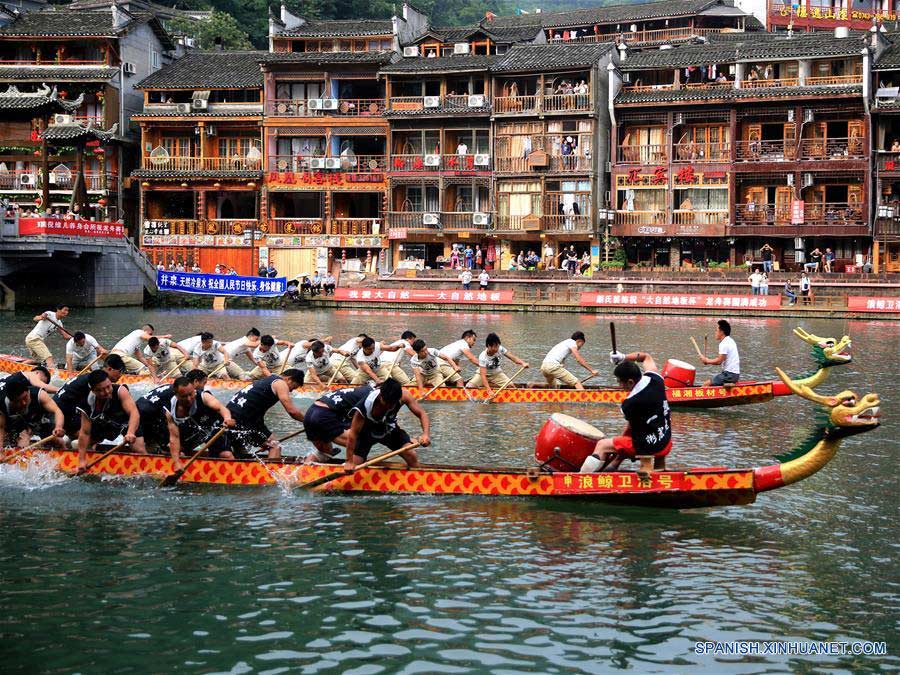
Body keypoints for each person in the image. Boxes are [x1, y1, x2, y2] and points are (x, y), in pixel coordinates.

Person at [581, 350, 671, 475]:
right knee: (624, 444)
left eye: (620, 382)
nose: (619, 386)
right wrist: (624, 357)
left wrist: (617, 444)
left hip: (649, 447)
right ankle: (611, 468)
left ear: (630, 382)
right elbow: (646, 357)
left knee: (602, 445)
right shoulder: (655, 379)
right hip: (666, 441)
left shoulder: (630, 403)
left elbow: (630, 427)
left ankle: (582, 477)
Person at [136, 376, 236, 470]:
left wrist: (227, 419)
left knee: (226, 455)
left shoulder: (204, 396)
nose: (189, 399)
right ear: (176, 395)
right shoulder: (169, 411)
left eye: (191, 394)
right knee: (180, 455)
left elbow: (221, 408)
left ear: (194, 390)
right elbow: (174, 437)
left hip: (213, 428)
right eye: (184, 396)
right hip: (191, 431)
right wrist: (176, 462)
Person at [340, 379, 430, 471]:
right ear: (380, 396)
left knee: (411, 455)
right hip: (367, 433)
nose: (389, 406)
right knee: (354, 465)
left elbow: (422, 414)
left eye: (393, 403)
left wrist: (425, 434)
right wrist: (349, 461)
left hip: (389, 429)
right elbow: (353, 434)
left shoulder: (404, 395)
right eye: (386, 403)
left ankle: (417, 477)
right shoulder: (365, 405)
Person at [225, 369, 306, 459]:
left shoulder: (269, 379)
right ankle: (271, 472)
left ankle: (240, 468)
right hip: (245, 418)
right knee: (274, 446)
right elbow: (292, 411)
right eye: (293, 387)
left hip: (229, 416)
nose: (290, 391)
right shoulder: (281, 383)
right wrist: (307, 421)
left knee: (240, 449)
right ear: (289, 379)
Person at [75, 369, 143, 471]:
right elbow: (85, 432)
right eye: (101, 390)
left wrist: (130, 432)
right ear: (92, 390)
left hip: (127, 424)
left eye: (108, 387)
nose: (106, 392)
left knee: (139, 449)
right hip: (105, 424)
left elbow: (134, 413)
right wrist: (81, 460)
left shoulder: (121, 391)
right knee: (82, 446)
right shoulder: (86, 403)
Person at [52, 354, 125, 439]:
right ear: (109, 369)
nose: (121, 375)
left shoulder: (95, 378)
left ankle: (73, 439)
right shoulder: (96, 382)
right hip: (59, 412)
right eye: (120, 371)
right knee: (96, 429)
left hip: (62, 408)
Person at [0, 374, 65, 449]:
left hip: (35, 416)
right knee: (22, 445)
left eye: (25, 398)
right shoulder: (2, 404)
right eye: (19, 401)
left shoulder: (39, 394)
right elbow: (1, 428)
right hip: (11, 421)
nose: (24, 403)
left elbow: (57, 411)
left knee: (59, 442)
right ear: (11, 401)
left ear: (28, 391)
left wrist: (58, 427)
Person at [466, 333, 528, 397]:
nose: (497, 348)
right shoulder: (482, 357)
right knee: (468, 387)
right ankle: (487, 385)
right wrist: (489, 391)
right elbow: (483, 375)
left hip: (497, 374)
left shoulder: (500, 349)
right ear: (489, 346)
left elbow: (513, 358)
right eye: (495, 346)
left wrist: (523, 363)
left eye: (498, 346)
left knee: (511, 387)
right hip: (483, 375)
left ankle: (491, 384)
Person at [25, 304, 71, 368]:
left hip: (33, 339)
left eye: (68, 311)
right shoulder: (50, 314)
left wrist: (76, 338)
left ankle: (18, 366)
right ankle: (53, 376)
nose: (66, 312)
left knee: (37, 360)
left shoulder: (59, 323)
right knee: (49, 358)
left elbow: (65, 335)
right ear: (58, 309)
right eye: (65, 310)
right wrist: (42, 317)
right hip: (34, 338)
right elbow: (35, 318)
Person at [699, 319, 740, 387]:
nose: (715, 332)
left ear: (721, 332)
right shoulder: (730, 340)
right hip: (733, 375)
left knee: (706, 384)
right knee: (713, 383)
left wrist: (707, 360)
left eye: (716, 330)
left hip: (729, 375)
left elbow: (719, 361)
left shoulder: (724, 343)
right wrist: (707, 360)